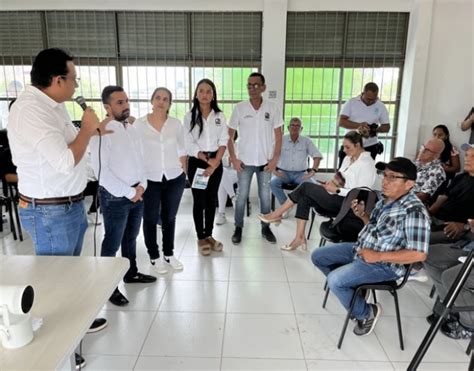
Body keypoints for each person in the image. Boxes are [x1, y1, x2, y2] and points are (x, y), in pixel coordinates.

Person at [7, 47, 109, 369]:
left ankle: (71, 331)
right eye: (74, 79)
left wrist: (89, 131)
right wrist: (86, 130)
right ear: (56, 79)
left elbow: (70, 149)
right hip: (49, 212)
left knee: (68, 279)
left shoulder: (54, 106)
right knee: (54, 287)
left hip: (69, 206)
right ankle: (59, 354)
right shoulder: (31, 111)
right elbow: (66, 161)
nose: (76, 86)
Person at [312, 157, 430, 336]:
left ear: (409, 184)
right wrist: (362, 216)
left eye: (392, 177)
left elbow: (419, 254)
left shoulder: (414, 212)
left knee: (335, 281)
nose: (385, 181)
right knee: (318, 256)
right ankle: (354, 292)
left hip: (384, 265)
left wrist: (377, 256)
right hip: (362, 249)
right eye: (385, 175)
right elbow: (374, 228)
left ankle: (367, 313)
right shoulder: (385, 200)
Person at [90, 85, 156, 307]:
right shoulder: (101, 132)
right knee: (112, 241)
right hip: (116, 197)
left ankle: (131, 273)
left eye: (126, 101)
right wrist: (130, 192)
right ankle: (108, 287)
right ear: (107, 107)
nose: (125, 105)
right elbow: (102, 173)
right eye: (120, 102)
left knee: (130, 238)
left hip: (137, 193)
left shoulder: (131, 128)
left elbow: (143, 160)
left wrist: (142, 187)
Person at [259, 130, 376, 251]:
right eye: (343, 147)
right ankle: (299, 238)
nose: (344, 150)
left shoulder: (367, 164)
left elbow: (362, 194)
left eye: (347, 147)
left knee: (305, 186)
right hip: (337, 195)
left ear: (357, 145)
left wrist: (336, 190)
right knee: (304, 197)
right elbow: (341, 179)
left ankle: (276, 214)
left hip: (349, 204)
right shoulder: (348, 159)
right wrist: (330, 184)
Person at [135, 87, 186, 273]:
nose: (161, 101)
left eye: (165, 99)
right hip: (149, 178)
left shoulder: (175, 124)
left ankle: (169, 254)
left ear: (169, 103)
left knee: (169, 217)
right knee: (149, 218)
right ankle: (154, 256)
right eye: (158, 98)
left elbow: (182, 149)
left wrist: (183, 172)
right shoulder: (139, 125)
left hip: (174, 177)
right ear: (152, 100)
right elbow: (134, 153)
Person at [228, 72, 284, 244]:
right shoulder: (240, 108)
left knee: (265, 197)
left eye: (256, 85)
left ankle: (265, 229)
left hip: (265, 162)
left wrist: (275, 159)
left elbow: (279, 136)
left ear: (263, 87)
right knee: (241, 196)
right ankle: (238, 228)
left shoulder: (272, 107)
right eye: (249, 85)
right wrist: (234, 158)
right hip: (244, 162)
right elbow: (229, 136)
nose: (252, 88)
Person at [184, 79, 228, 256]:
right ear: (196, 94)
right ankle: (200, 237)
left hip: (216, 161)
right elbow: (188, 143)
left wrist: (216, 162)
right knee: (200, 200)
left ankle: (209, 234)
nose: (205, 94)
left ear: (213, 95)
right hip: (198, 162)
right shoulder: (190, 116)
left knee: (211, 200)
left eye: (209, 91)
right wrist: (206, 160)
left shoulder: (219, 115)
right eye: (201, 91)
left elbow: (224, 139)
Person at [424, 218, 474, 340]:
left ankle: (469, 325)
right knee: (428, 255)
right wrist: (467, 226)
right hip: (470, 247)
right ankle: (451, 307)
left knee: (452, 277)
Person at [270, 117, 323, 206]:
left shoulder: (307, 141)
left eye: (297, 125)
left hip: (301, 174)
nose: (294, 127)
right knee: (273, 183)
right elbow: (270, 155)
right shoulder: (281, 140)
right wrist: (274, 171)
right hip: (283, 173)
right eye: (292, 125)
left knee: (313, 186)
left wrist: (313, 171)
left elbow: (317, 156)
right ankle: (285, 205)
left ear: (301, 129)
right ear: (288, 127)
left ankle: (312, 207)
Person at [428, 143, 474, 245]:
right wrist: (429, 212)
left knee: (416, 238)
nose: (467, 159)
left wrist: (464, 226)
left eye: (473, 156)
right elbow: (443, 197)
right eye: (466, 155)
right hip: (437, 218)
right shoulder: (460, 177)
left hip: (455, 227)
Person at [338, 82, 390, 164]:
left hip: (370, 146)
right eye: (368, 99)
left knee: (366, 173)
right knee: (344, 172)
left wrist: (373, 130)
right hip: (350, 145)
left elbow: (386, 127)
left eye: (374, 99)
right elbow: (341, 122)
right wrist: (359, 125)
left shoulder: (380, 106)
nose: (370, 101)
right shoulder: (351, 103)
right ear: (363, 93)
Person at [215, 131, 239, 226]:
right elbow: (218, 162)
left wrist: (231, 161)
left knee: (221, 175)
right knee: (222, 173)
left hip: (235, 172)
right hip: (224, 172)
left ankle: (221, 214)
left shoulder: (238, 146)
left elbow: (239, 162)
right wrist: (228, 160)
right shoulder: (221, 147)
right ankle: (233, 196)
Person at [413, 137, 446, 203]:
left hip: (414, 204)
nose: (423, 151)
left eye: (428, 150)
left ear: (436, 155)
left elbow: (423, 196)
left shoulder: (437, 171)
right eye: (424, 147)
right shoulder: (417, 163)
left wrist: (399, 198)